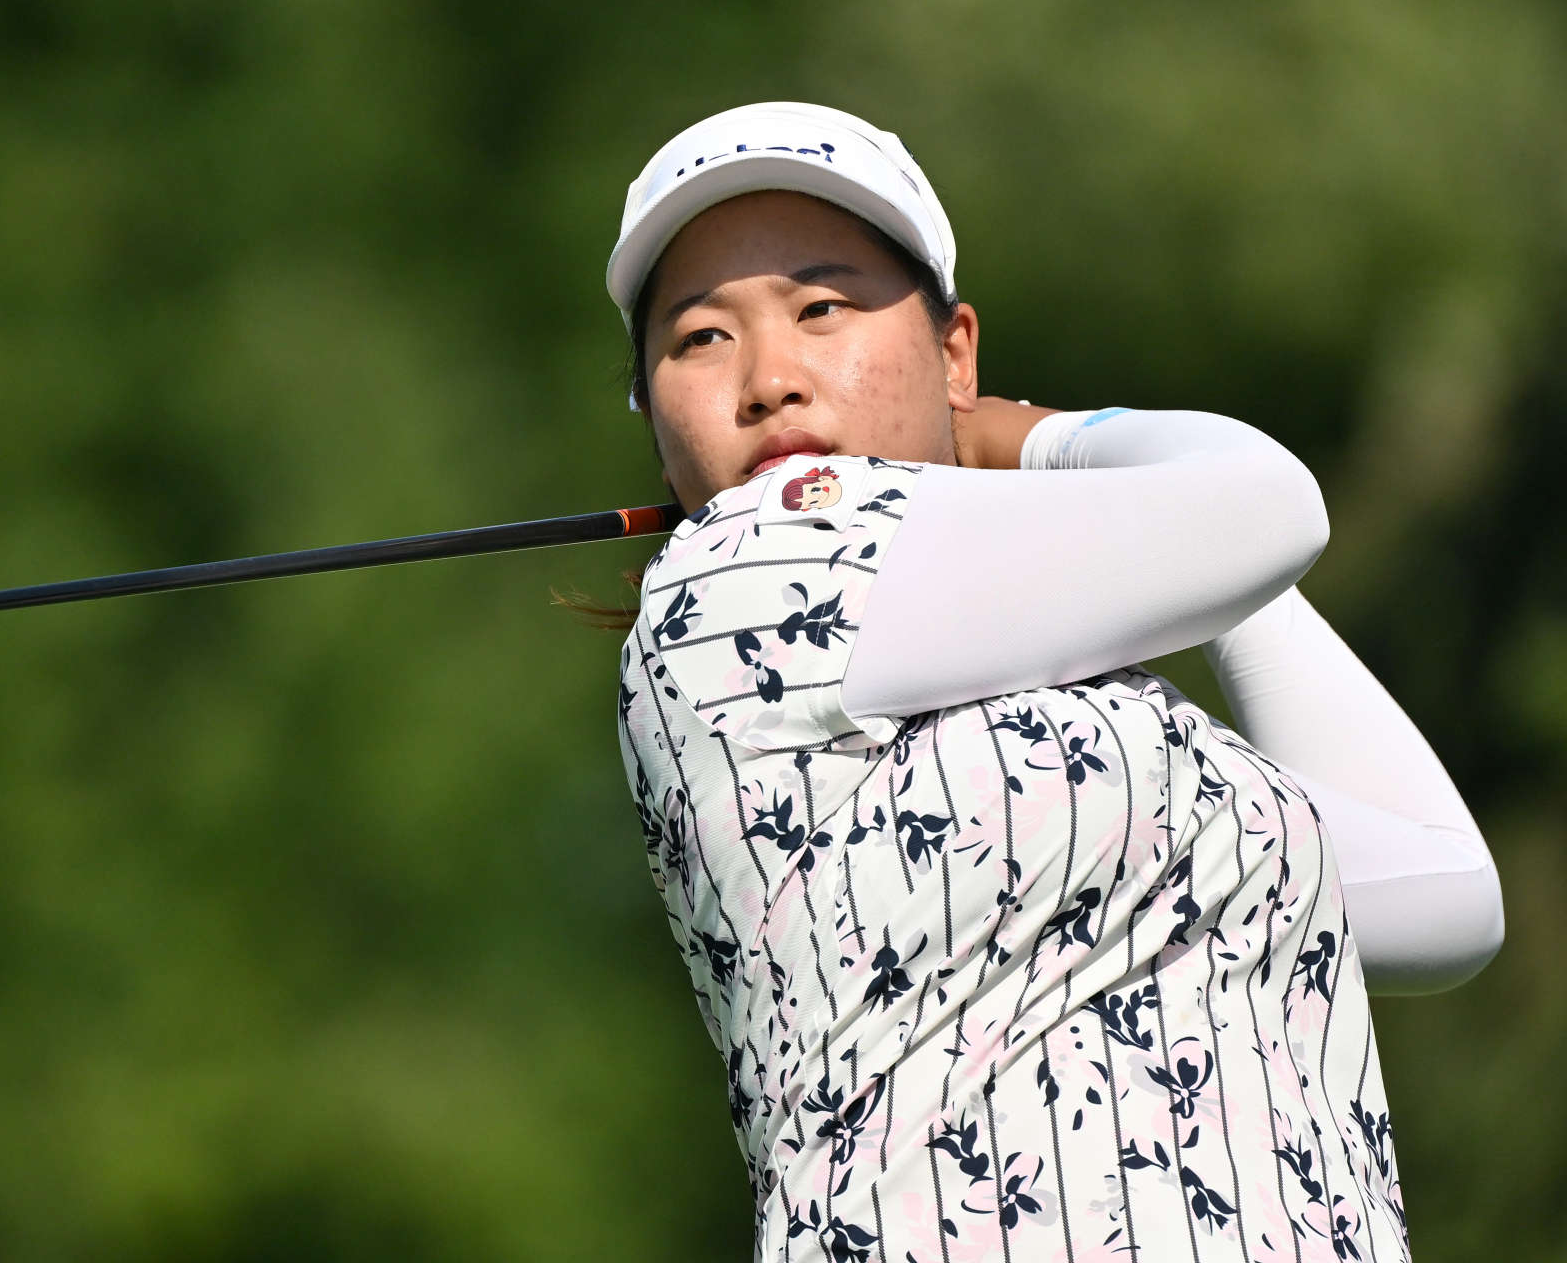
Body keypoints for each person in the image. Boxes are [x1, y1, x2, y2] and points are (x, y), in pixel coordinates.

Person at [608, 103, 1502, 1263]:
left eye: (821, 307)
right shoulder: (736, 584)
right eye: (700, 337)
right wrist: (1041, 442)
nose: (769, 379)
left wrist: (1187, 571)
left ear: (954, 352)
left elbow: (1443, 892)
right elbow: (1272, 504)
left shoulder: (1114, 720)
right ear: (656, 419)